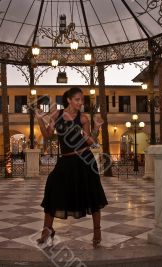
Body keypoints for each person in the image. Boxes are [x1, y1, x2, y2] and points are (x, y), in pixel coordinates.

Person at [34, 87, 108, 248]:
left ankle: (97, 230)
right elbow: (47, 135)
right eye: (77, 99)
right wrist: (39, 119)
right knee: (52, 189)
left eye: (82, 100)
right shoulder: (57, 115)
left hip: (84, 160)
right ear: (68, 100)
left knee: (92, 194)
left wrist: (96, 127)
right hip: (66, 161)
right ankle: (47, 231)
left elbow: (90, 142)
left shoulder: (83, 118)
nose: (81, 102)